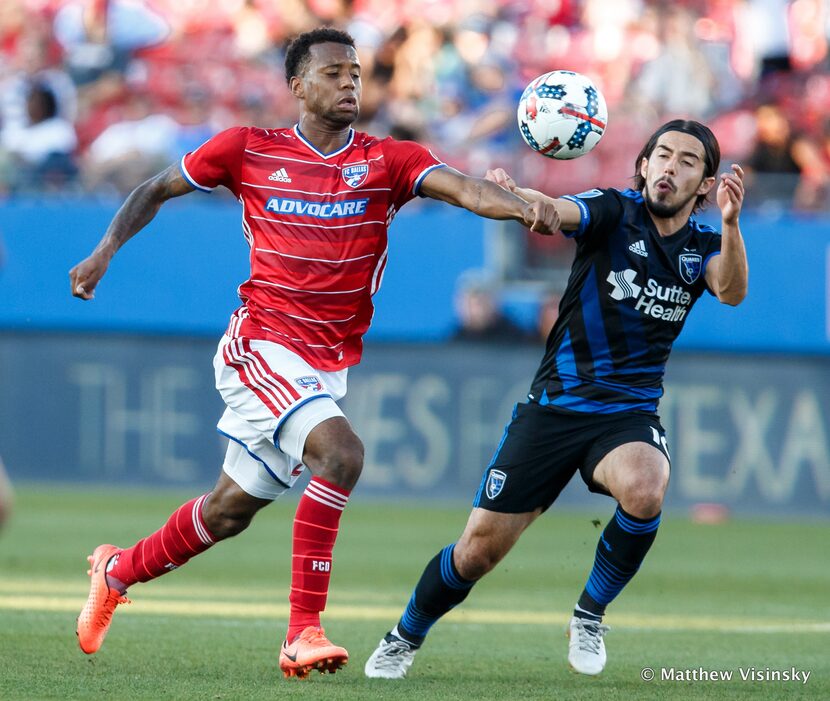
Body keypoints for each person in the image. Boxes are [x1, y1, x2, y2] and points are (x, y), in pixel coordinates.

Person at [68, 27, 558, 680]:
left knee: (228, 511)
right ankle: (302, 630)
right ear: (297, 85)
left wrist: (524, 206)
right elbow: (155, 188)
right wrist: (104, 250)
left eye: (355, 72)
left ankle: (117, 569)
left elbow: (467, 189)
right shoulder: (247, 149)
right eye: (333, 73)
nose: (349, 82)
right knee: (342, 452)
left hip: (323, 364)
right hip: (260, 345)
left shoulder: (388, 160)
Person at [364, 119, 747, 679]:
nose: (670, 167)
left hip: (627, 413)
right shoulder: (615, 211)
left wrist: (733, 225)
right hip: (554, 409)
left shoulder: (705, 246)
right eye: (661, 155)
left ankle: (589, 615)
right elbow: (561, 210)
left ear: (705, 183)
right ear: (643, 165)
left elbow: (732, 290)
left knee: (646, 485)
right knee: (476, 553)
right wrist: (527, 203)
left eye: (687, 161)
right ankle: (405, 634)